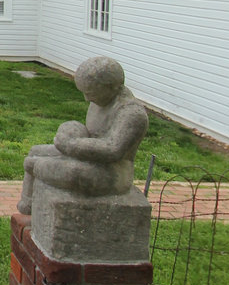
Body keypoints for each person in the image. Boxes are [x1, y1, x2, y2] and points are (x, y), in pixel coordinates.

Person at [17, 56, 148, 215]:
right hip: (89, 155)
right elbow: (90, 134)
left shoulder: (131, 113)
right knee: (35, 152)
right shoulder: (101, 100)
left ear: (111, 87)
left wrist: (70, 145)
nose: (87, 98)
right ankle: (28, 203)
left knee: (40, 165)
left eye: (91, 93)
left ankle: (30, 197)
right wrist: (70, 133)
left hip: (112, 173)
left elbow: (113, 149)